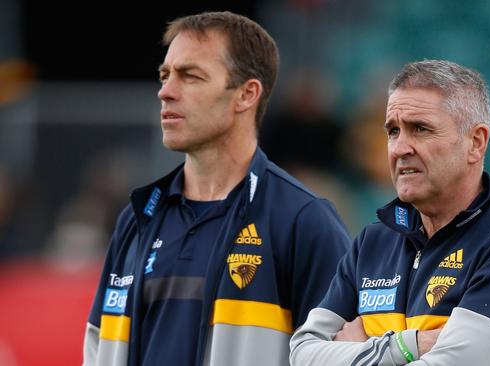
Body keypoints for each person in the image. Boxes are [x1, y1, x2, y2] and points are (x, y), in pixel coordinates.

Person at [82, 11, 350, 366]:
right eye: (164, 76)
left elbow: (341, 356)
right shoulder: (136, 219)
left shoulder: (303, 220)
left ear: (246, 94)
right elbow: (97, 349)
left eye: (190, 77)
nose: (166, 92)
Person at [290, 60, 490, 365]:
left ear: (476, 142)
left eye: (420, 129)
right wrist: (411, 345)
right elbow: (302, 355)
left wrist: (358, 348)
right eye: (393, 131)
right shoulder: (372, 243)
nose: (399, 148)